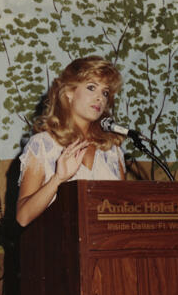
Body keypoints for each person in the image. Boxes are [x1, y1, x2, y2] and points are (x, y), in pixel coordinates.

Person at [16, 56, 125, 227]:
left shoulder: (111, 150)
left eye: (105, 92)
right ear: (69, 92)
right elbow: (23, 217)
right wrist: (58, 179)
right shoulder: (42, 145)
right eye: (91, 88)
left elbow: (123, 213)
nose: (100, 98)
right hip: (59, 249)